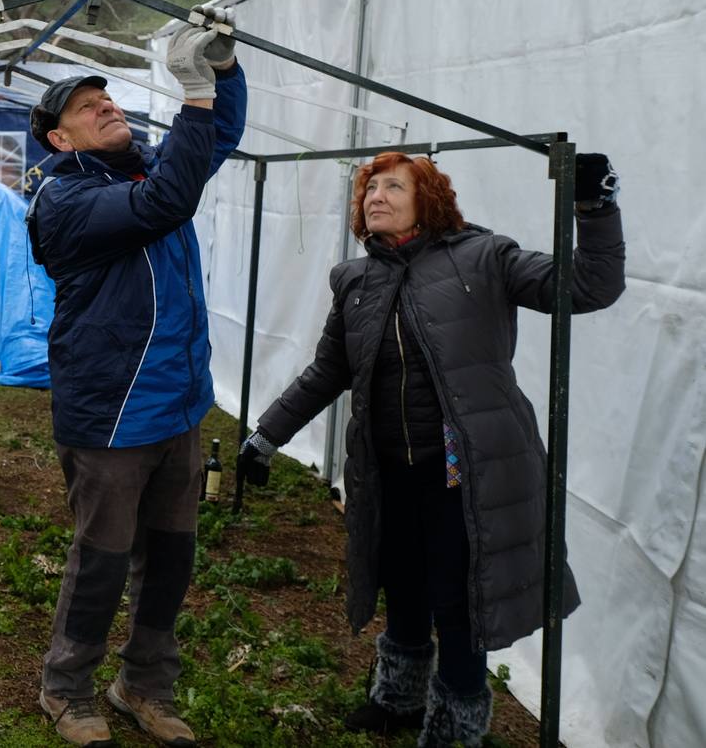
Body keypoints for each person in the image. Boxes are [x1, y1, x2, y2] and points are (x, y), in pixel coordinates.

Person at [238, 151, 625, 747]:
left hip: (465, 472)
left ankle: (455, 726)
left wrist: (594, 207)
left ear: (430, 200)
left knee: (457, 597)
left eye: (393, 185)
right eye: (369, 188)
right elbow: (327, 372)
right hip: (388, 470)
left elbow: (588, 287)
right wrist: (265, 435)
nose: (376, 196)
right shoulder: (355, 280)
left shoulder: (485, 257)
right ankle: (397, 698)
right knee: (403, 582)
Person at [23, 6, 246, 747]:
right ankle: (66, 688)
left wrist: (221, 71)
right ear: (60, 138)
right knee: (103, 560)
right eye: (88, 109)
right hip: (113, 412)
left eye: (107, 98)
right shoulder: (66, 200)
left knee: (171, 556)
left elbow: (217, 139)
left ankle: (143, 684)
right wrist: (192, 94)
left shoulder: (149, 165)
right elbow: (166, 204)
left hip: (177, 405)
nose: (106, 107)